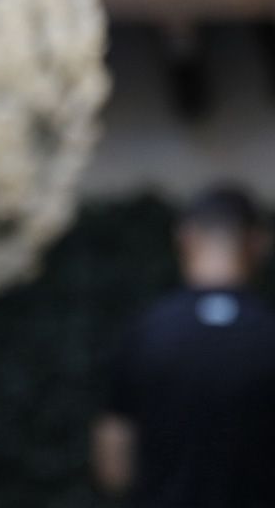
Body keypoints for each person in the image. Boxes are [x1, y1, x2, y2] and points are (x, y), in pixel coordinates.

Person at [92, 184, 275, 507]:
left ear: (186, 237)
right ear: (258, 243)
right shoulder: (267, 329)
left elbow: (114, 460)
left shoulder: (147, 330)